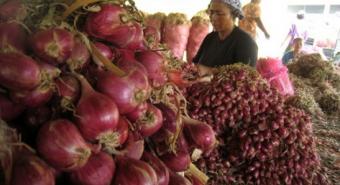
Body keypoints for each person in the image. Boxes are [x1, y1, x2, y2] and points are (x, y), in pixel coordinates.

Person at [193, 0, 258, 76]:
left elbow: (244, 79)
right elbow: (196, 64)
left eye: (219, 13)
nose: (213, 17)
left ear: (233, 15)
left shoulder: (246, 43)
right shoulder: (210, 37)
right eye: (211, 12)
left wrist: (209, 71)